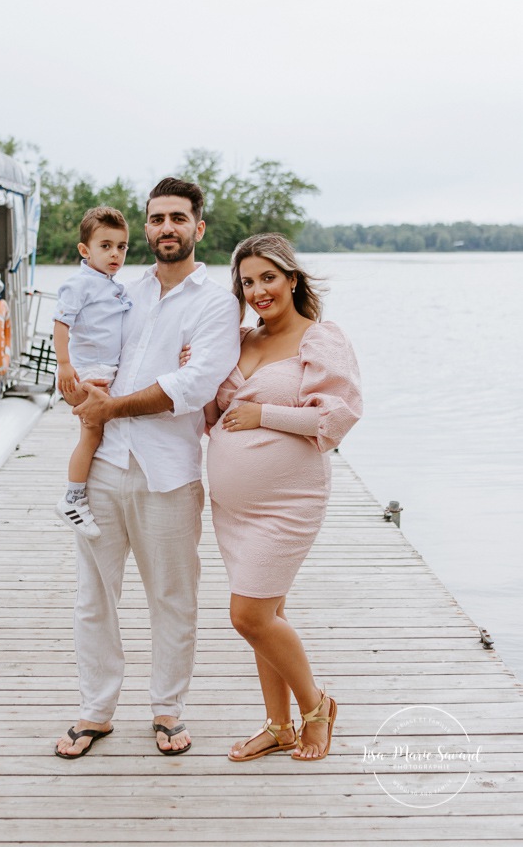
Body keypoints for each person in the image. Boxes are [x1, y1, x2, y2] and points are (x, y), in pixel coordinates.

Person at [54, 177, 240, 759]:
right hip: (105, 461)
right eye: (156, 219)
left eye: (177, 218)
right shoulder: (123, 292)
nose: (166, 228)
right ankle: (96, 711)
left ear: (198, 228)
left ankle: (167, 709)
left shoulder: (216, 303)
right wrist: (79, 388)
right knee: (94, 597)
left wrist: (119, 401)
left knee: (172, 596)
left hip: (168, 471)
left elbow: (194, 384)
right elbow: (88, 350)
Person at [205, 233, 362, 762]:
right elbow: (211, 415)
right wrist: (195, 366)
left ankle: (317, 708)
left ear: (292, 279)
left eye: (268, 278)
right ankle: (278, 726)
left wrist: (263, 414)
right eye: (247, 282)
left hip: (287, 503)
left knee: (249, 616)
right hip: (233, 508)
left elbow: (338, 418)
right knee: (267, 618)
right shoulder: (240, 341)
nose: (258, 291)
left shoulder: (319, 339)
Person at [53, 206, 132, 540]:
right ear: (85, 250)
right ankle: (72, 498)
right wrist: (65, 364)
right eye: (105, 246)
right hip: (91, 370)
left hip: (107, 367)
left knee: (99, 434)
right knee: (91, 434)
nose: (115, 253)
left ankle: (85, 493)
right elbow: (61, 323)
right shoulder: (79, 284)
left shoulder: (111, 284)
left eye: (122, 246)